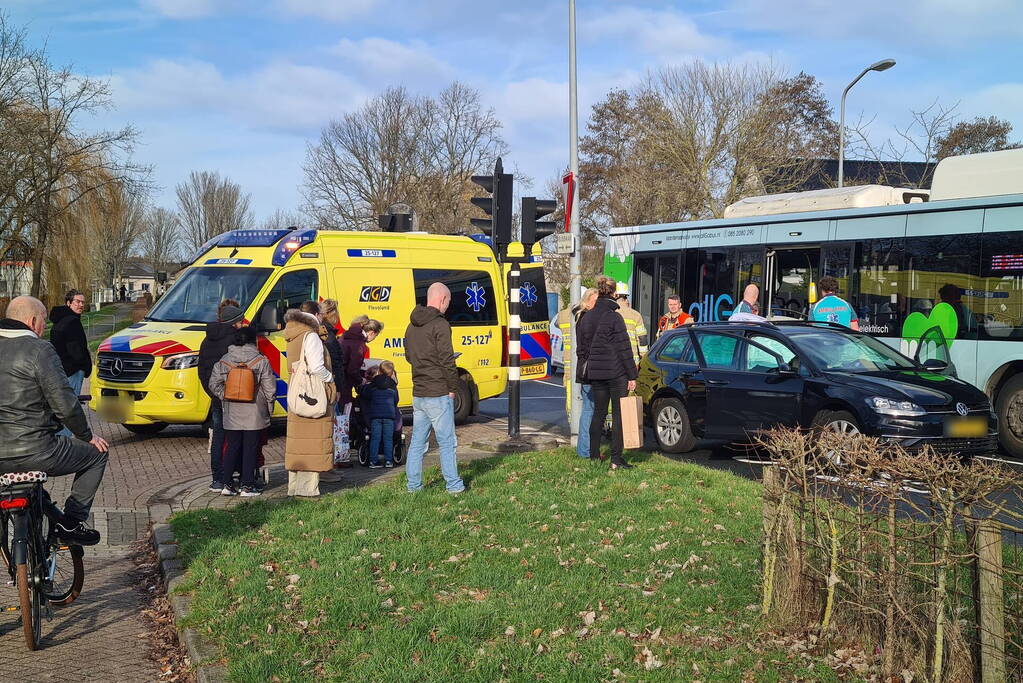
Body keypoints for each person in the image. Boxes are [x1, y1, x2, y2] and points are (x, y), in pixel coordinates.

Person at [0, 296, 110, 545]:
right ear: (33, 321)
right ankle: (70, 523)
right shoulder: (40, 350)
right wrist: (86, 436)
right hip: (38, 450)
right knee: (97, 455)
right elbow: (65, 403)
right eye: (42, 323)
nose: (43, 329)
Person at [404, 282, 465, 494]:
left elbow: (409, 356)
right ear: (442, 300)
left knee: (417, 444)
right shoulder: (440, 324)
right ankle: (454, 486)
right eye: (448, 301)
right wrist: (453, 386)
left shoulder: (411, 325)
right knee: (447, 443)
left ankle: (414, 486)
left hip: (419, 391)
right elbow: (447, 360)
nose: (448, 306)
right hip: (438, 391)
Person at [577, 277, 638, 470]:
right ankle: (616, 459)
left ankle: (594, 457)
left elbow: (582, 349)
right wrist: (632, 375)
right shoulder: (614, 317)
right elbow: (624, 348)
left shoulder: (586, 317)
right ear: (613, 294)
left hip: (596, 374)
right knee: (619, 416)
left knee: (598, 414)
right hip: (616, 372)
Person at [208, 326, 276, 497]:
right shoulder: (261, 361)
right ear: (254, 341)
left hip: (231, 411)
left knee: (232, 447)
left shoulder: (224, 360)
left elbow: (213, 384)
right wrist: (269, 408)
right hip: (254, 411)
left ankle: (227, 484)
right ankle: (247, 485)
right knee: (251, 448)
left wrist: (225, 395)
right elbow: (270, 389)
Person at [283, 308, 335, 498]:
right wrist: (329, 378)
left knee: (298, 444)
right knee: (312, 443)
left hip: (297, 395)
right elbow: (315, 366)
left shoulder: (292, 336)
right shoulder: (310, 337)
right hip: (313, 395)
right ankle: (307, 489)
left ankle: (294, 487)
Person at [197, 299, 245, 492]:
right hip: (235, 397)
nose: (242, 324)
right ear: (234, 322)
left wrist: (213, 393)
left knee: (218, 438)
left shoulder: (206, 340)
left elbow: (202, 371)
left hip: (216, 397)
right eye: (240, 321)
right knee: (237, 438)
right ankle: (236, 477)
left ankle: (217, 479)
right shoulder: (236, 340)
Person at [556, 288, 598, 458]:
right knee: (589, 410)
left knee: (585, 409)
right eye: (595, 301)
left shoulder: (567, 315)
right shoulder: (586, 318)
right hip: (587, 369)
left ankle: (583, 448)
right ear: (586, 300)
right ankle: (585, 449)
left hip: (573, 367)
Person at [49, 289, 91, 438]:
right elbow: (75, 349)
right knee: (70, 408)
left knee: (62, 406)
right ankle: (63, 440)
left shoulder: (60, 320)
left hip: (62, 369)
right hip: (73, 370)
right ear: (68, 303)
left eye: (82, 302)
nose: (80, 305)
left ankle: (60, 438)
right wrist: (84, 365)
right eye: (77, 302)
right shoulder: (72, 322)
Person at [358, 360, 399, 469]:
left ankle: (373, 461)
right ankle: (389, 461)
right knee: (388, 439)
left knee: (375, 438)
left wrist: (362, 385)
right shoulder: (393, 385)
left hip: (375, 416)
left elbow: (364, 393)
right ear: (392, 373)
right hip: (389, 416)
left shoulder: (373, 384)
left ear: (379, 371)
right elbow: (396, 400)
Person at [614, 282, 649, 369]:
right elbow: (642, 339)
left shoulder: (610, 312)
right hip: (632, 361)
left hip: (614, 360)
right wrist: (643, 356)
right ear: (626, 297)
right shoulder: (635, 315)